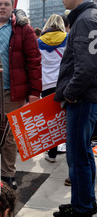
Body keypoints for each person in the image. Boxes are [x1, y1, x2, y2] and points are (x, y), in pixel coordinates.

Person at [0, 0, 42, 190]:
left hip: (12, 91)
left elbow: (34, 61)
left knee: (9, 135)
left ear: (12, 7)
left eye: (6, 4)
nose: (2, 7)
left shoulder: (23, 30)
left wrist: (35, 91)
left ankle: (8, 174)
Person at [54, 0, 97, 217]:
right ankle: (87, 202)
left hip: (81, 99)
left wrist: (69, 93)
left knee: (77, 154)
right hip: (88, 97)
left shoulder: (84, 20)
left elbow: (87, 66)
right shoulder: (90, 16)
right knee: (84, 152)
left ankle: (81, 206)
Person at [38, 14, 68, 163]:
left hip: (46, 85)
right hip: (63, 84)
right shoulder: (67, 38)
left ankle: (52, 154)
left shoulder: (39, 42)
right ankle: (71, 151)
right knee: (67, 118)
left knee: (51, 120)